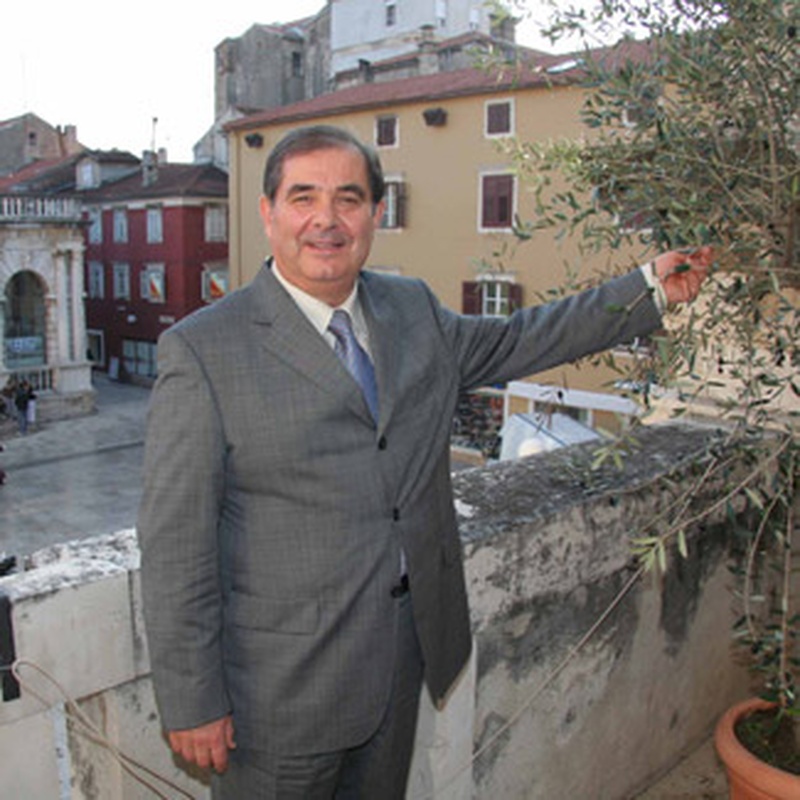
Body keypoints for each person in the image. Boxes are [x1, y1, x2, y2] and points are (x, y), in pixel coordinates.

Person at [137, 124, 711, 799]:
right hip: (276, 697)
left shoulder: (410, 310)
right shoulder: (204, 350)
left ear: (375, 214)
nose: (326, 219)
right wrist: (193, 699)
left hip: (399, 662)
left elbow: (522, 337)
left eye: (349, 199)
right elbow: (176, 544)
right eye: (303, 197)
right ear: (268, 213)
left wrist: (647, 289)